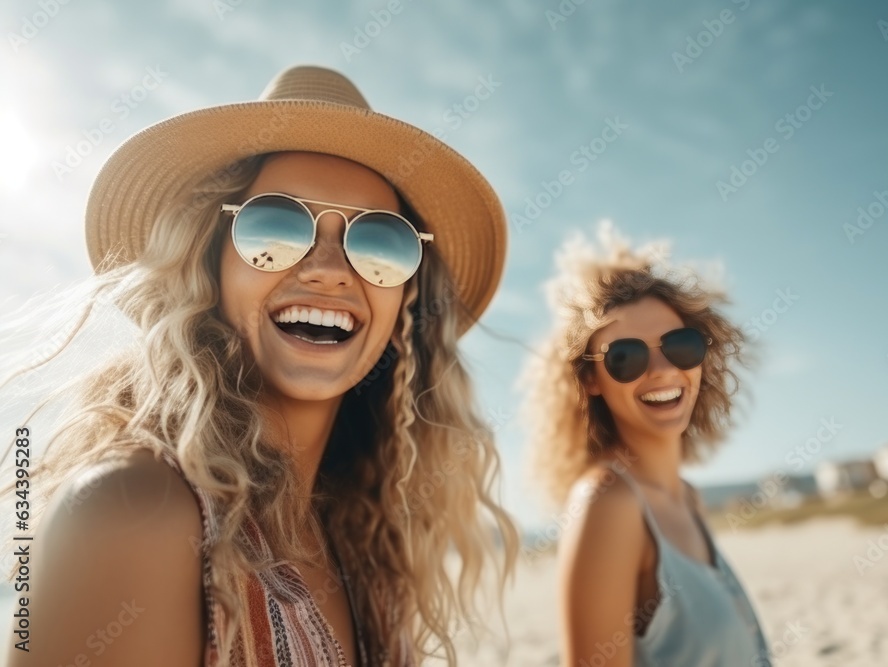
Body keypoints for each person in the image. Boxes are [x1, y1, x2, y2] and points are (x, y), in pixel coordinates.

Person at [1, 65, 517, 666]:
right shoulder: (135, 511)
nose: (329, 267)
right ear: (209, 264)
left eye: (381, 242)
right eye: (276, 225)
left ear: (407, 300)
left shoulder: (361, 549)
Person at [522, 224, 770, 667]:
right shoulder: (609, 504)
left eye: (680, 345)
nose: (661, 370)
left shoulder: (688, 498)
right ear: (590, 380)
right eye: (626, 356)